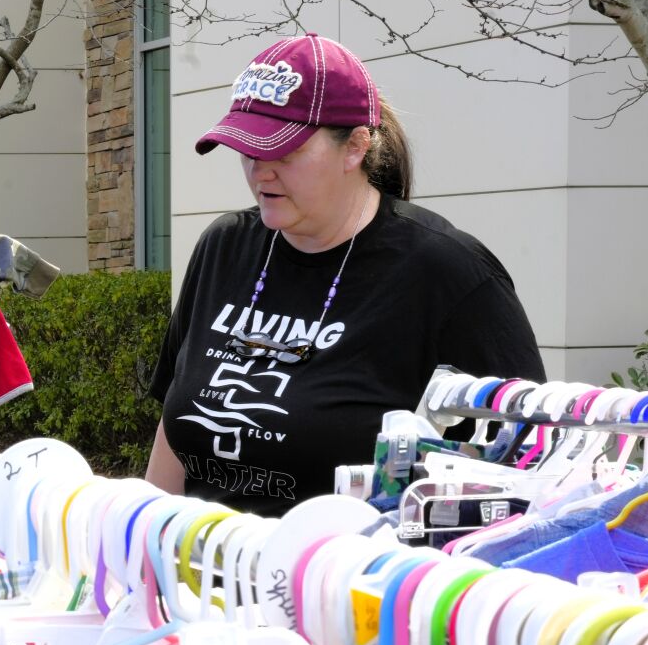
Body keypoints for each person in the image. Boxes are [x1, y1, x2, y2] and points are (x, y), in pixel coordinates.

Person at [145, 32, 545, 514]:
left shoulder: (448, 273)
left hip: (351, 583)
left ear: (355, 146)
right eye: (248, 150)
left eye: (284, 152)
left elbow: (524, 464)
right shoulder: (224, 247)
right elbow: (173, 431)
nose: (260, 172)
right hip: (205, 574)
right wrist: (143, 548)